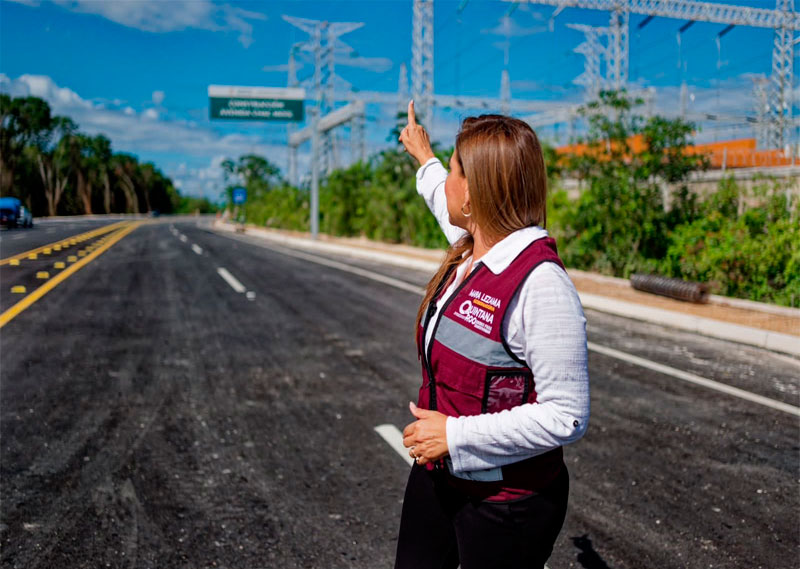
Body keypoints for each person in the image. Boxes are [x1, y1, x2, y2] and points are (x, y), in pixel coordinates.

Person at [395, 101, 590, 569]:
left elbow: (569, 416)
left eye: (455, 171)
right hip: (441, 475)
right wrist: (425, 158)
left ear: (476, 194)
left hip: (506, 504)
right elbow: (442, 204)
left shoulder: (541, 285)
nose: (447, 185)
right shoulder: (475, 248)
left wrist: (455, 435)